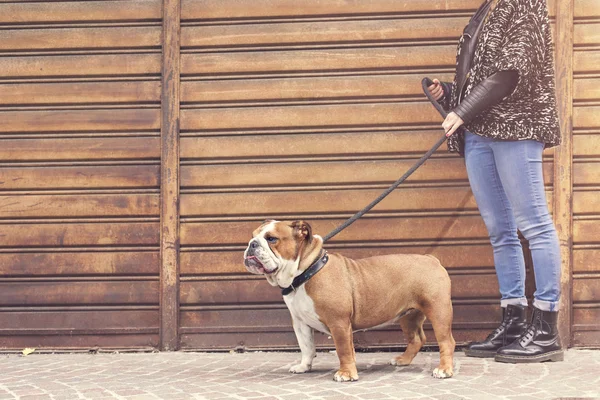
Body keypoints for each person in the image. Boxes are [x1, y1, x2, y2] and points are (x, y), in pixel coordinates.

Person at [427, 0, 563, 363]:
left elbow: (512, 71)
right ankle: (514, 320)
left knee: (534, 224)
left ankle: (547, 327)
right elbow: (478, 74)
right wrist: (450, 96)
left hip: (516, 127)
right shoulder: (487, 8)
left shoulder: (526, 4)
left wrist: (462, 110)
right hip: (479, 132)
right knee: (500, 231)